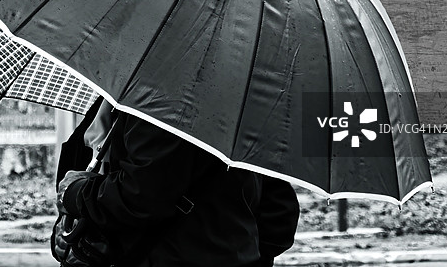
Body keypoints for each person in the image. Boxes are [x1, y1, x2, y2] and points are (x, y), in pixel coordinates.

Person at [52, 100, 299, 267]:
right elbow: (279, 215)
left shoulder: (155, 99)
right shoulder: (251, 104)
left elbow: (139, 196)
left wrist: (75, 194)